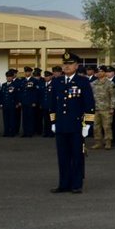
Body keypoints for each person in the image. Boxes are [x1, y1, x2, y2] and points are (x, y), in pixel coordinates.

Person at [47, 52, 94, 193]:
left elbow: (89, 104)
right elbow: (52, 104)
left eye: (70, 64)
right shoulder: (57, 81)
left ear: (76, 66)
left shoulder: (83, 81)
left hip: (76, 125)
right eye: (65, 64)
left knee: (77, 155)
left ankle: (76, 184)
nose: (66, 67)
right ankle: (63, 183)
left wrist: (87, 124)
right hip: (61, 124)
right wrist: (53, 121)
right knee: (63, 156)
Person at [90, 66, 115, 149]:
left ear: (105, 73)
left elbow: (113, 96)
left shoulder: (110, 83)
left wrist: (112, 107)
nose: (99, 73)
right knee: (96, 127)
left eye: (101, 71)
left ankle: (108, 142)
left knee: (107, 126)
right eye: (98, 71)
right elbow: (90, 97)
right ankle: (98, 142)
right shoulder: (93, 83)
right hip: (95, 108)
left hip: (106, 108)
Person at [18, 67, 40, 137]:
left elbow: (36, 92)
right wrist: (20, 101)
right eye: (25, 72)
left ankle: (30, 132)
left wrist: (34, 101)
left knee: (30, 118)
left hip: (31, 102)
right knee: (24, 118)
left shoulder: (34, 80)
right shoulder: (22, 81)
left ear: (30, 72)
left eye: (28, 72)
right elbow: (21, 92)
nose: (26, 73)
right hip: (24, 102)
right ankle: (25, 132)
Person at [1, 69, 20, 137]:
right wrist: (1, 103)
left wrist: (17, 103)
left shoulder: (15, 85)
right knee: (5, 119)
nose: (8, 78)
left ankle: (12, 132)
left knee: (12, 119)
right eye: (7, 77)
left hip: (12, 104)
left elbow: (17, 95)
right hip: (5, 104)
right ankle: (6, 132)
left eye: (10, 77)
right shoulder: (3, 85)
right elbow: (2, 95)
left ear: (12, 77)